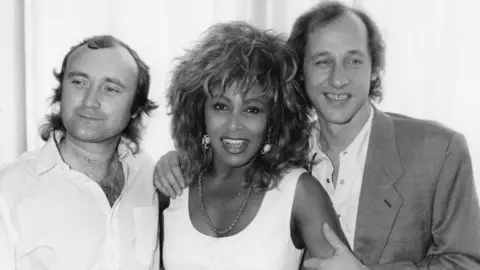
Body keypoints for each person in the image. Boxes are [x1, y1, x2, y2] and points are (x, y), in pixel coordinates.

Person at [154, 2, 480, 269]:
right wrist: (180, 159)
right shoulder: (282, 151)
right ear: (300, 72)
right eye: (322, 61)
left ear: (374, 68)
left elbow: (466, 262)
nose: (338, 79)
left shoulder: (437, 150)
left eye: (354, 61)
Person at [158, 21, 347, 269]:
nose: (234, 125)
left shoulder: (298, 192)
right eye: (221, 106)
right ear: (199, 111)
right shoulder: (172, 184)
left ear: (274, 119)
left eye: (252, 109)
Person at [0, 35, 160, 270]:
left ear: (136, 107)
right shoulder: (10, 189)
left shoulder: (147, 173)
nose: (90, 101)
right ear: (61, 90)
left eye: (110, 88)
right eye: (79, 82)